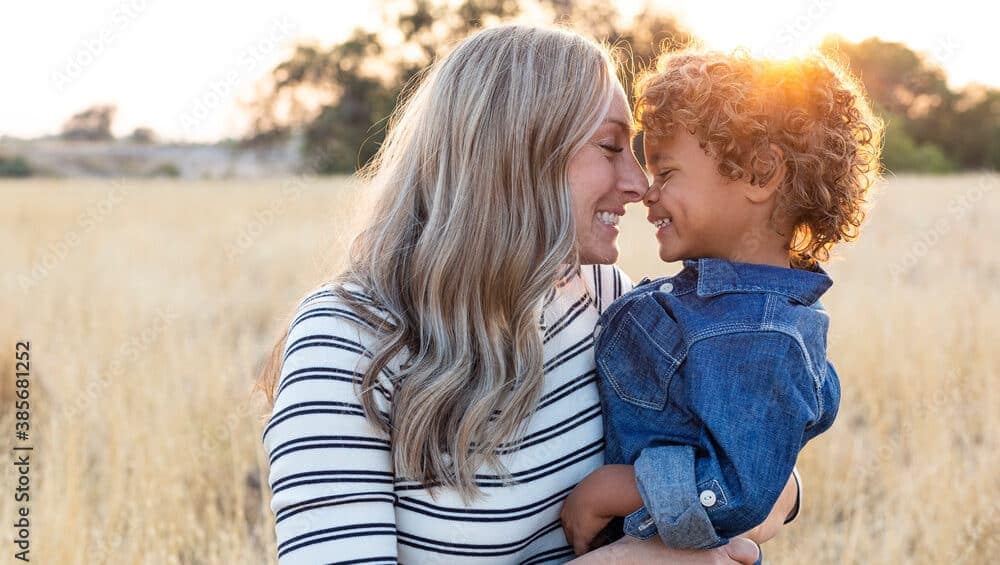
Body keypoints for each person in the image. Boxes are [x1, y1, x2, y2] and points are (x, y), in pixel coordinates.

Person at [256, 25, 799, 564]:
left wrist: (763, 497)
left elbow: (750, 458)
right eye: (611, 147)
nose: (639, 185)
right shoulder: (346, 342)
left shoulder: (608, 301)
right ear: (514, 155)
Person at [560, 49, 883, 563]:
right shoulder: (723, 308)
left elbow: (735, 490)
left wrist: (616, 489)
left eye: (666, 172)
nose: (647, 191)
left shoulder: (762, 335)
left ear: (760, 174)